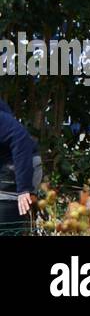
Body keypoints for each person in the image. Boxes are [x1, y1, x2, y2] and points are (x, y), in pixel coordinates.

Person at [0, 99, 39, 232]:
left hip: (18, 166)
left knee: (5, 226)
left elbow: (20, 139)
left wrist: (23, 189)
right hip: (8, 165)